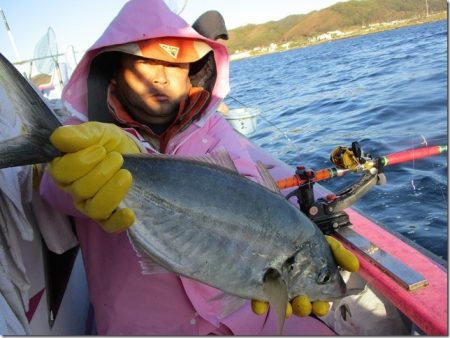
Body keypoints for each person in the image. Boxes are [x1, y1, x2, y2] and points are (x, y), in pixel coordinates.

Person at [39, 0, 358, 334]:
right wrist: (82, 173)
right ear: (114, 76)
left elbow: (252, 190)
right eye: (146, 62)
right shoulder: (85, 134)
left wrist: (294, 243)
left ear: (191, 72)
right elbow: (55, 188)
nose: (162, 78)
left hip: (245, 320)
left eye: (175, 66)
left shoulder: (215, 130)